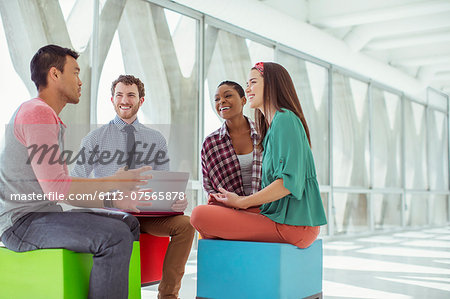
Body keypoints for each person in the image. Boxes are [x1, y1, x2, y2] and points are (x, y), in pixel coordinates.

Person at [0, 45, 153, 299]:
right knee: (114, 236)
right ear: (55, 74)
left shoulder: (48, 116)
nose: (80, 82)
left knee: (128, 223)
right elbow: (57, 188)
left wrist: (114, 199)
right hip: (21, 223)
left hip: (42, 216)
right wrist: (112, 182)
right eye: (76, 73)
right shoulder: (37, 113)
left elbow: (63, 189)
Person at [72, 74, 194, 299]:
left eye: (131, 95)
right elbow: (76, 181)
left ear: (141, 100)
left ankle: (168, 295)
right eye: (119, 95)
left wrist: (176, 200)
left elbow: (165, 180)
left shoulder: (156, 139)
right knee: (122, 227)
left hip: (146, 212)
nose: (124, 100)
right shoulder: (94, 139)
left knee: (186, 225)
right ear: (112, 99)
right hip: (111, 213)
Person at [191, 62, 327, 249]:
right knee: (213, 210)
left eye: (252, 82)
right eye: (247, 84)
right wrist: (233, 202)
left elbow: (288, 184)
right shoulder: (271, 128)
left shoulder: (285, 120)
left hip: (294, 225)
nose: (248, 89)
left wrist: (242, 202)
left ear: (271, 84)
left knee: (199, 215)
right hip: (279, 217)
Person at [201, 81, 262, 206]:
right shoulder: (210, 143)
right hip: (230, 209)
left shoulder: (264, 134)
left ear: (243, 100)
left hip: (265, 207)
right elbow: (208, 186)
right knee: (198, 214)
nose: (221, 101)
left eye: (228, 96)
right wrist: (214, 196)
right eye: (217, 99)